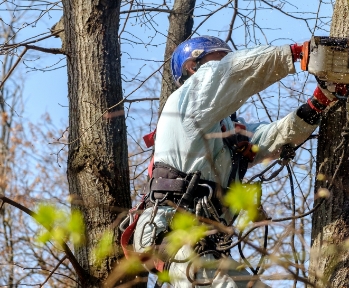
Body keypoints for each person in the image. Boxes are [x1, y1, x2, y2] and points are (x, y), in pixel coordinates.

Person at [132, 35, 338, 288]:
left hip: (205, 243)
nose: (227, 62)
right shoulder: (186, 100)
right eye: (220, 58)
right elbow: (230, 73)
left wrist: (318, 102)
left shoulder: (225, 129)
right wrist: (297, 53)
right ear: (192, 67)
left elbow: (271, 138)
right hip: (170, 233)